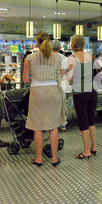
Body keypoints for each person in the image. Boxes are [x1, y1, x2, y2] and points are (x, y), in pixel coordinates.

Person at [22, 32, 66, 167]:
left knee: (38, 127)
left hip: (37, 93)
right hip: (53, 92)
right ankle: (54, 158)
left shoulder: (30, 58)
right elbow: (63, 78)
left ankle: (39, 159)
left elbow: (25, 80)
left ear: (37, 43)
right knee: (53, 127)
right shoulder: (58, 58)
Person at [67, 35, 97, 159]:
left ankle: (86, 151)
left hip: (80, 93)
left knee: (83, 121)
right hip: (92, 91)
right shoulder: (91, 56)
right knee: (91, 120)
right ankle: (93, 147)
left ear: (73, 44)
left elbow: (70, 79)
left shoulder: (71, 58)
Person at [52, 39, 69, 131]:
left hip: (50, 83)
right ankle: (63, 124)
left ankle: (52, 123)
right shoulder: (64, 58)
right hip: (62, 83)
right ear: (60, 48)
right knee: (62, 103)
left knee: (52, 103)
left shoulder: (48, 58)